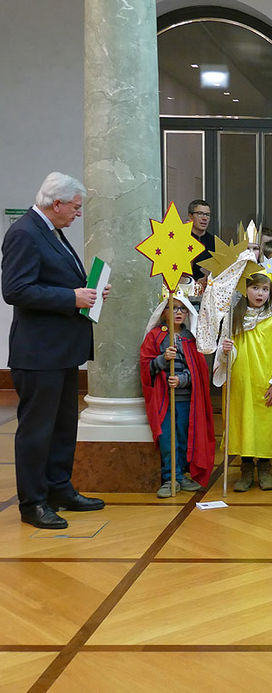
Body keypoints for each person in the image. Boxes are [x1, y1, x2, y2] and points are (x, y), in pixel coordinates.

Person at [1, 172, 110, 529]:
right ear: (57, 203)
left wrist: (86, 292)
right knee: (36, 431)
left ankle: (59, 488)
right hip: (38, 353)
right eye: (75, 207)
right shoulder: (23, 233)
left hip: (62, 350)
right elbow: (15, 290)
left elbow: (51, 281)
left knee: (63, 426)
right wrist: (71, 297)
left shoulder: (51, 232)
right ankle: (33, 503)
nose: (78, 214)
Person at [215, 269, 272, 492]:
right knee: (243, 425)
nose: (260, 293)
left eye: (264, 289)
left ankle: (264, 468)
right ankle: (245, 469)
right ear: (245, 289)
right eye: (254, 288)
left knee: (265, 427)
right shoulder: (233, 319)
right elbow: (225, 357)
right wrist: (225, 351)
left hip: (266, 384)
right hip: (240, 385)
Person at [140, 292, 215, 498]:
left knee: (183, 437)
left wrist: (182, 379)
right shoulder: (155, 337)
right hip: (164, 399)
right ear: (164, 312)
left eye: (182, 309)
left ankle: (181, 475)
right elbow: (147, 368)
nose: (178, 313)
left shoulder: (191, 338)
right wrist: (163, 359)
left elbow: (199, 373)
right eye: (173, 308)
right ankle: (168, 478)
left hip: (186, 400)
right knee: (167, 438)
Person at [188, 199, 215, 287]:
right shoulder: (182, 239)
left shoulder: (214, 242)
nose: (204, 218)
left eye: (207, 215)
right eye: (200, 213)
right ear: (190, 216)